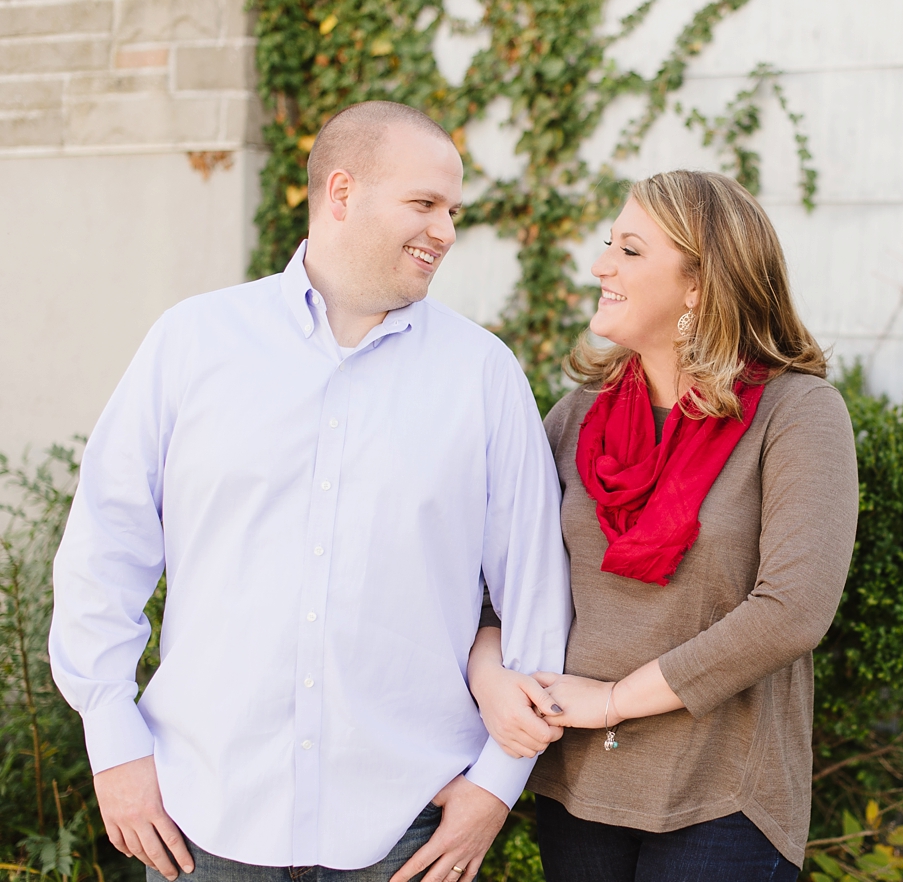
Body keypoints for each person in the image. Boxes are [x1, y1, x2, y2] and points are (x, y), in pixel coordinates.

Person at [48, 101, 571, 882]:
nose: (447, 231)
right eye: (424, 204)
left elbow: (534, 593)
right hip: (201, 818)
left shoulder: (482, 375)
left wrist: (495, 788)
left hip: (406, 831)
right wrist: (112, 741)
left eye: (453, 210)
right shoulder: (193, 343)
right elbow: (104, 550)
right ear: (341, 192)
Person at [467, 170, 859, 881]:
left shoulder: (795, 414)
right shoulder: (578, 415)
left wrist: (614, 700)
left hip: (720, 793)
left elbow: (792, 611)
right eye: (607, 244)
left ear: (699, 286)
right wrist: (491, 677)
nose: (600, 265)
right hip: (576, 783)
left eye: (630, 250)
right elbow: (494, 581)